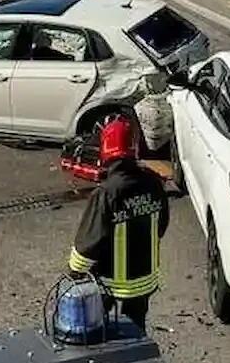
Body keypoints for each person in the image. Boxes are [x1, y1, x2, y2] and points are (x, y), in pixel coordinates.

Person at [68, 117, 169, 331]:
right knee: (136, 329)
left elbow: (90, 240)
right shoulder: (153, 183)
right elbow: (161, 225)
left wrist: (75, 269)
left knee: (97, 328)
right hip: (145, 280)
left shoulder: (106, 193)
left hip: (110, 282)